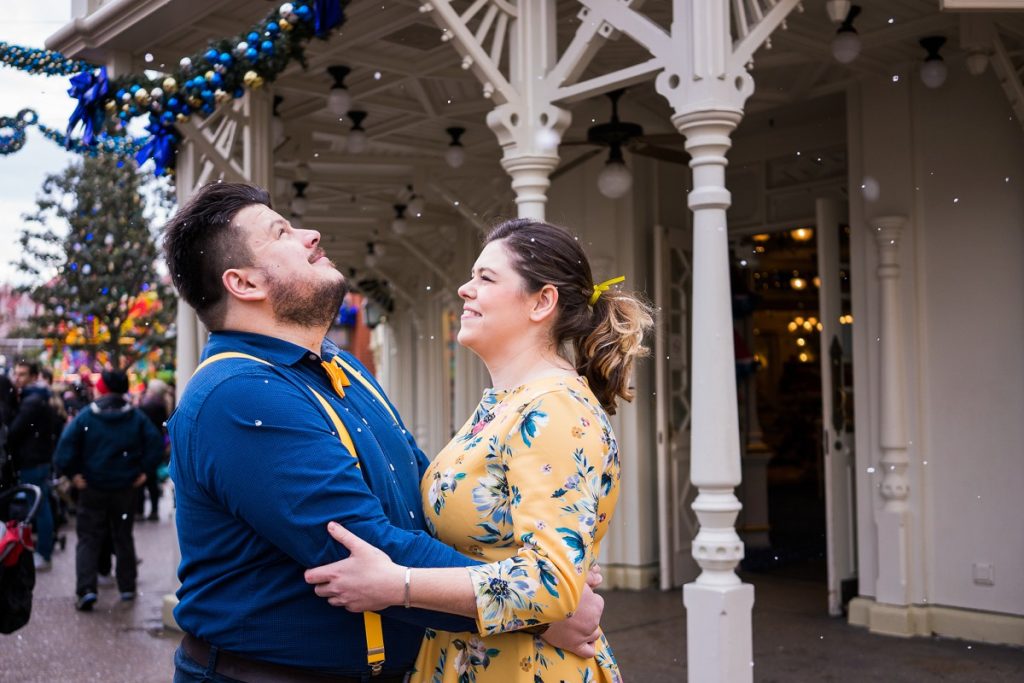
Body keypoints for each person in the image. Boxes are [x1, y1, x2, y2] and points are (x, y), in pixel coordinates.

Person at [161, 183, 603, 683]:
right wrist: (540, 614)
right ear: (244, 284)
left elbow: (419, 504)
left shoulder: (339, 367)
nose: (311, 235)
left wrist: (538, 572)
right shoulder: (240, 393)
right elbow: (364, 545)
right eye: (282, 232)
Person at [305, 218, 653, 682]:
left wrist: (398, 585)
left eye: (486, 278)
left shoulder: (553, 410)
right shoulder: (509, 402)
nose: (465, 290)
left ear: (542, 302)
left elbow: (550, 584)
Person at [54, 369, 163, 611]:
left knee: (88, 539)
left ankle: (86, 590)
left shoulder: (85, 417)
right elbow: (156, 443)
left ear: (101, 388)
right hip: (125, 487)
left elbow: (64, 450)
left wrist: (73, 475)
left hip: (92, 486)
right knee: (123, 536)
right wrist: (144, 471)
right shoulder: (135, 416)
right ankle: (127, 587)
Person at [8, 361, 63, 571]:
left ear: (33, 376)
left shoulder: (32, 400)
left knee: (39, 506)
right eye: (16, 373)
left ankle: (44, 552)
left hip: (33, 460)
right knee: (41, 504)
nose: (18, 378)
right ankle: (43, 550)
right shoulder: (38, 397)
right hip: (38, 458)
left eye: (22, 374)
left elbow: (15, 430)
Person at [136, 378, 171, 521]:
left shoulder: (149, 405)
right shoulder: (163, 404)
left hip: (145, 444)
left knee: (143, 478)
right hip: (157, 444)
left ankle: (140, 511)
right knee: (152, 479)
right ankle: (154, 510)